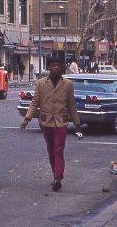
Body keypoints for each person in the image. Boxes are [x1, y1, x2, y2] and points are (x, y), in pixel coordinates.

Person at [20, 56, 82, 191]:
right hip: (46, 122)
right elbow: (34, 103)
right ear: (49, 67)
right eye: (53, 65)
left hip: (61, 122)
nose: (55, 67)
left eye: (57, 65)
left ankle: (58, 177)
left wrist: (77, 124)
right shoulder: (41, 83)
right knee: (51, 150)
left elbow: (72, 105)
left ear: (61, 67)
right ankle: (55, 174)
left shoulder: (68, 84)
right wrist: (27, 119)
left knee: (58, 149)